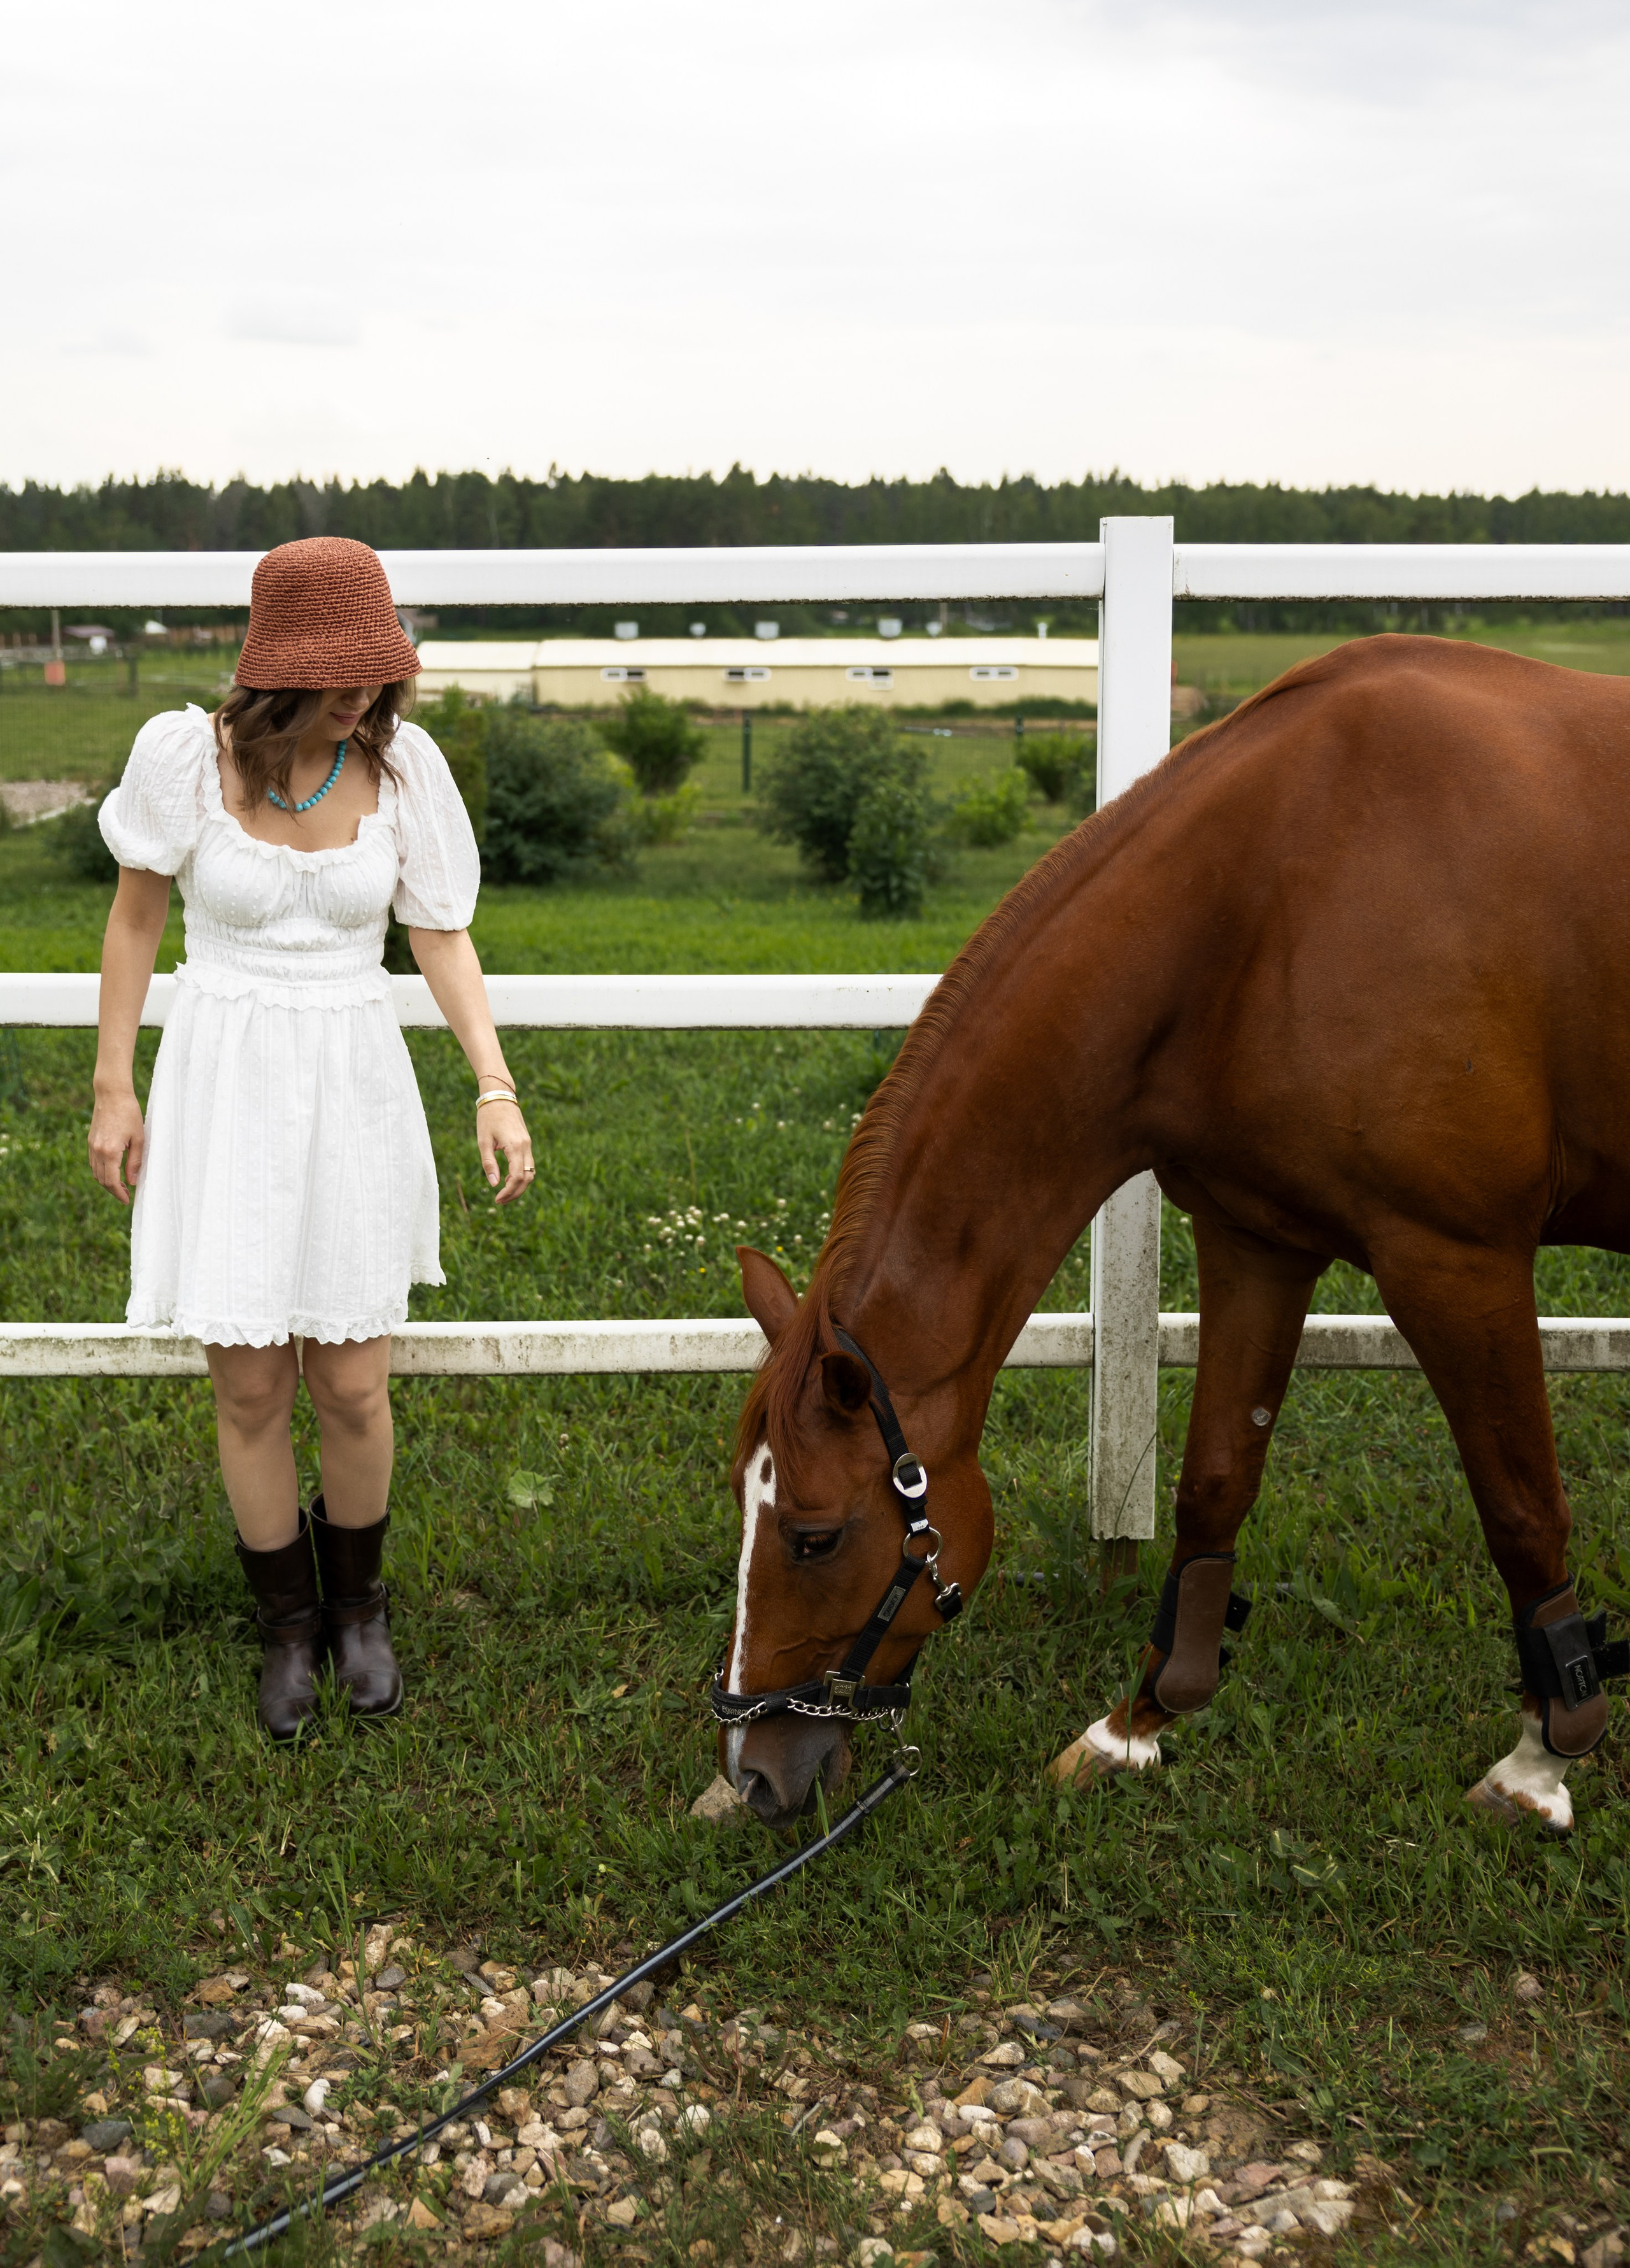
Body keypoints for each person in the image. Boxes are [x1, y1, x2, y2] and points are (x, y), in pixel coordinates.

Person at [87, 536, 532, 1738]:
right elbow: (134, 922)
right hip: (224, 1081)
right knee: (248, 1385)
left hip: (352, 1082)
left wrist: (493, 1082)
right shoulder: (184, 758)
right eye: (341, 671)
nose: (365, 692)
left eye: (378, 668)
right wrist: (114, 1087)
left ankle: (358, 1612)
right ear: (277, 666)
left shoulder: (403, 768)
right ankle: (285, 1626)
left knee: (349, 1380)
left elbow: (440, 934)